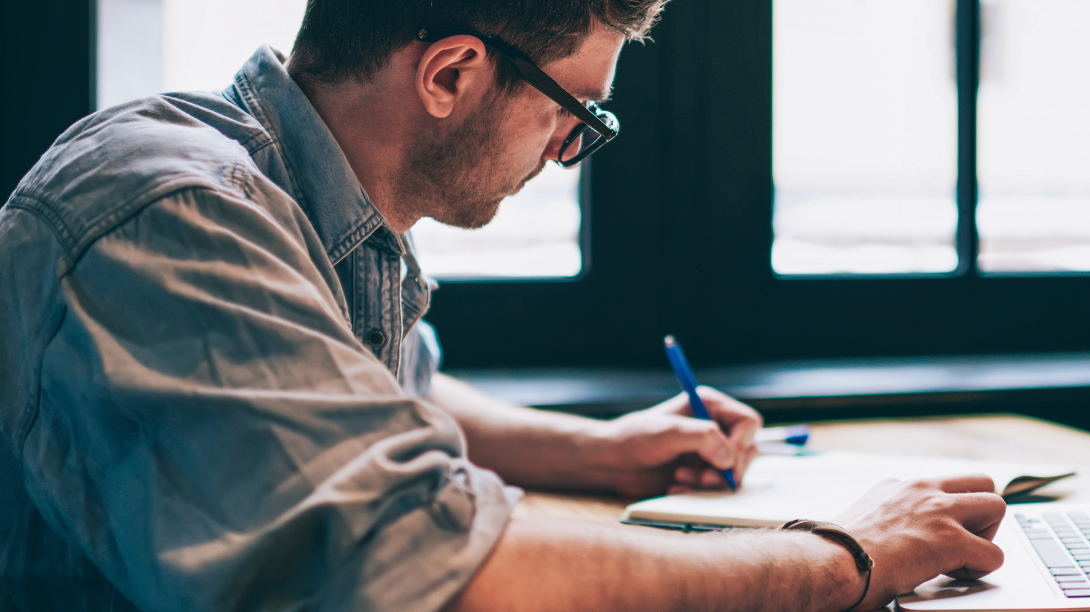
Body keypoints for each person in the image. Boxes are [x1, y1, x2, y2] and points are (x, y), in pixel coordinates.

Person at [0, 1, 1008, 610]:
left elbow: (364, 397)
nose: (569, 152)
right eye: (576, 115)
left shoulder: (304, 206)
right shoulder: (174, 212)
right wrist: (844, 554)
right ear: (449, 73)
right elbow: (438, 573)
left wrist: (594, 451)